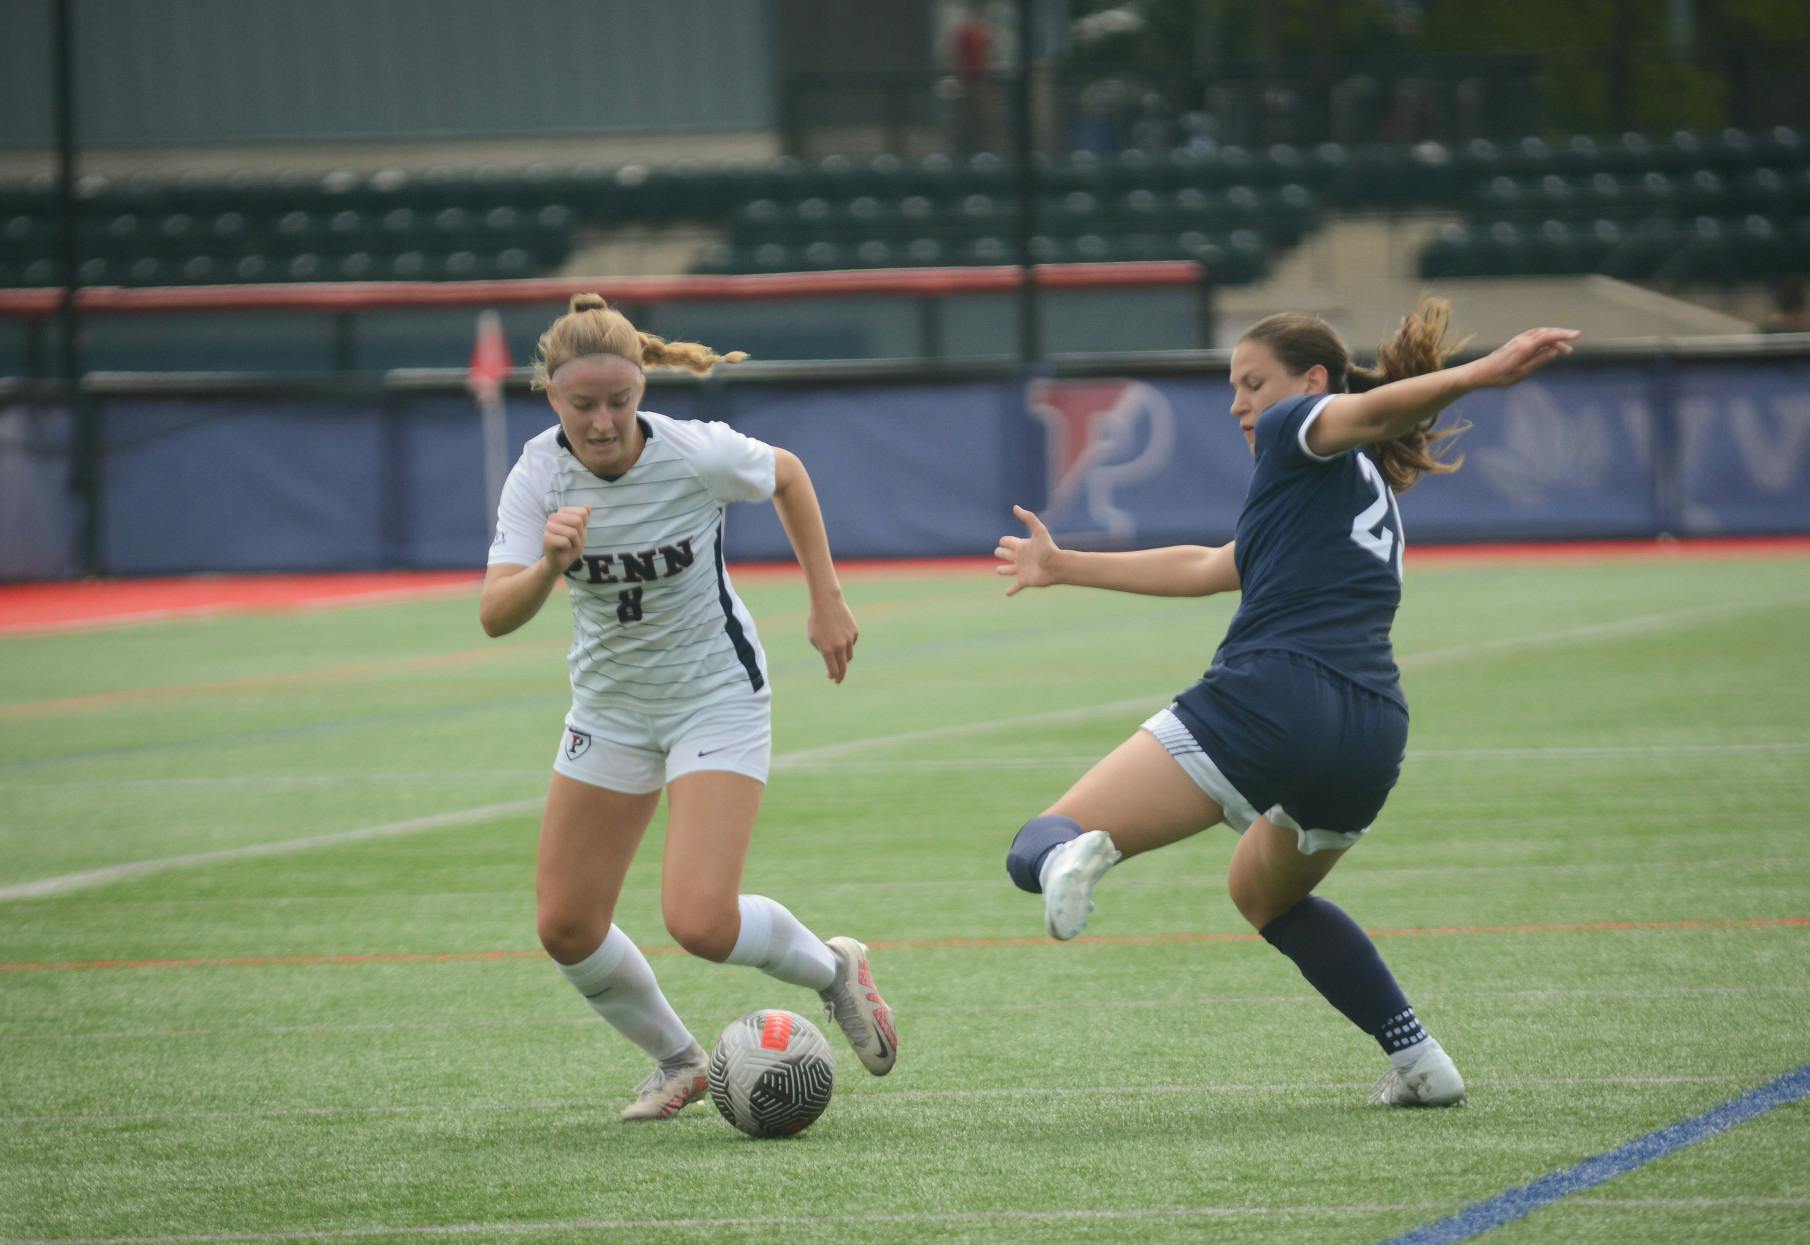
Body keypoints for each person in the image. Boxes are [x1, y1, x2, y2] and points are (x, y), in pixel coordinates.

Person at [995, 301, 1577, 1107]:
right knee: (1263, 893)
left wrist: (1485, 373)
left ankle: (1075, 855)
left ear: (1308, 383)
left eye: (1252, 383)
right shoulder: (1348, 485)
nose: (1238, 404)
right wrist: (1066, 566)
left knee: (1037, 839)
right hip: (1372, 731)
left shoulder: (1295, 428)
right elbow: (1209, 565)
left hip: (1275, 696)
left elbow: (1368, 407)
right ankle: (1418, 1059)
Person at [482, 293, 898, 1122]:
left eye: (619, 402)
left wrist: (827, 599)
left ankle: (833, 970)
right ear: (550, 396)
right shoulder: (537, 470)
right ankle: (679, 1060)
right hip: (612, 705)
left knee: (701, 920)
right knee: (566, 924)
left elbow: (788, 473)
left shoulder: (692, 452)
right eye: (582, 404)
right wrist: (550, 563)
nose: (602, 422)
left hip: (715, 694)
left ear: (641, 388)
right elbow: (496, 613)